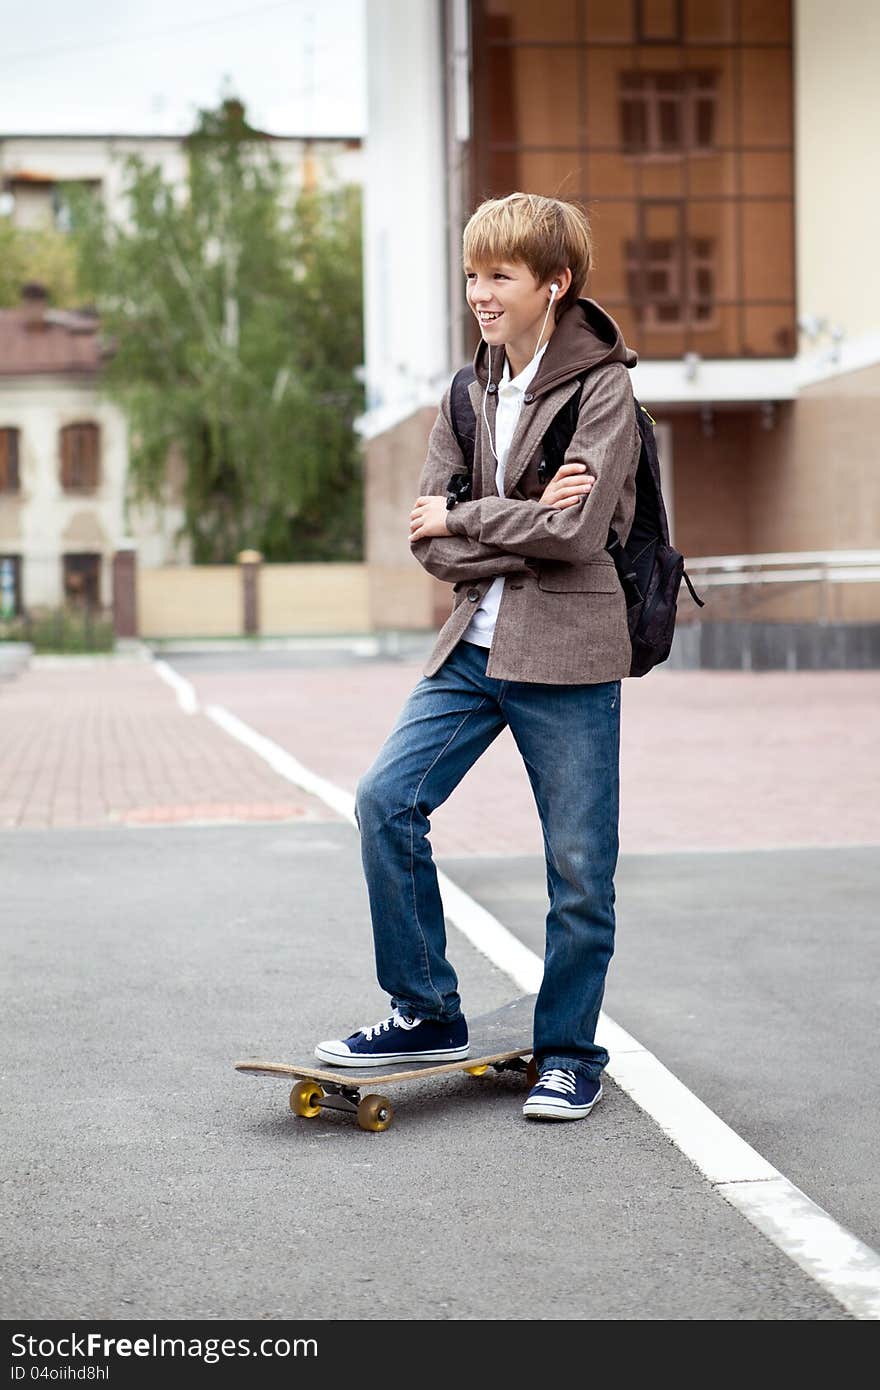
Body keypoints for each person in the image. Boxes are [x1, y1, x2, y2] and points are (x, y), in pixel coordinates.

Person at [315, 191, 641, 1121]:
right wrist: (515, 522)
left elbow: (577, 532)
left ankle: (570, 1051)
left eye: (499, 276)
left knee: (579, 867)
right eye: (471, 275)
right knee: (386, 801)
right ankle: (425, 1010)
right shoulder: (468, 390)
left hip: (570, 652)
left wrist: (467, 515)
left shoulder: (604, 387)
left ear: (555, 283)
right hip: (474, 647)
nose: (480, 295)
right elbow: (426, 542)